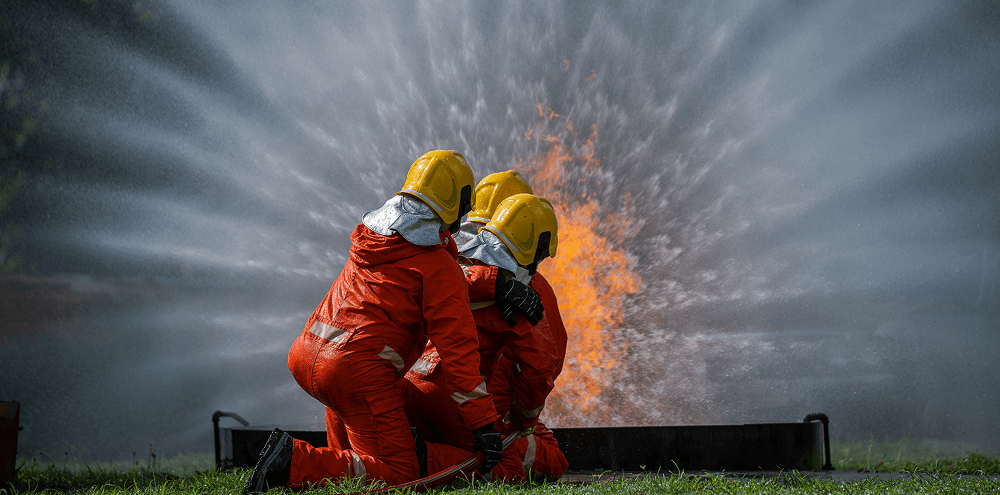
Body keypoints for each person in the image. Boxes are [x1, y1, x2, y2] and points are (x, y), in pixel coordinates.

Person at [242, 150, 503, 494]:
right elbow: (458, 353)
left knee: (352, 460)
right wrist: (483, 421)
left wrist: (493, 283)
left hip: (309, 354)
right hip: (357, 373)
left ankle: (319, 468)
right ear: (456, 202)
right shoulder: (437, 265)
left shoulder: (375, 240)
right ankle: (292, 463)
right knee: (402, 474)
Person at [403, 188, 570, 482]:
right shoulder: (522, 294)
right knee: (521, 467)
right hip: (465, 398)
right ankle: (420, 457)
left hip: (413, 382)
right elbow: (541, 367)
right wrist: (523, 420)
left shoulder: (449, 262)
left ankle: (412, 449)